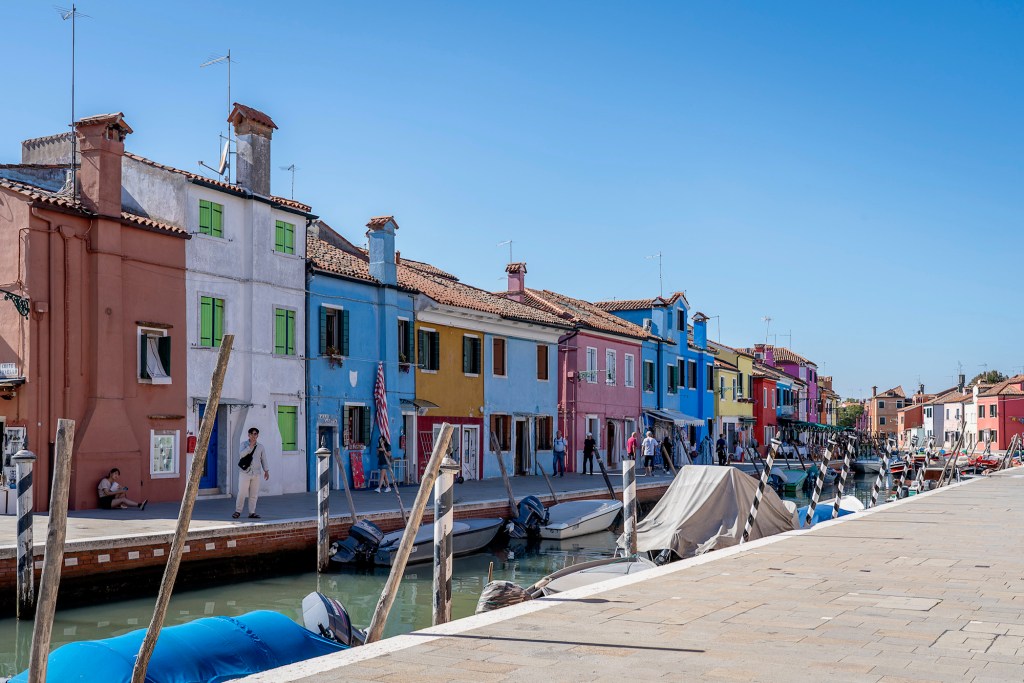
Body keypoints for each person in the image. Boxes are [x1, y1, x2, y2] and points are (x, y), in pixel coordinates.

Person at [234, 427, 269, 519]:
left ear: (257, 435)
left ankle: (252, 512)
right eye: (252, 434)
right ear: (248, 435)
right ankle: (238, 511)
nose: (254, 436)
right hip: (245, 472)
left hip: (256, 473)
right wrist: (250, 447)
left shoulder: (261, 447)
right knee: (242, 492)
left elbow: (263, 459)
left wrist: (266, 470)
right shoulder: (243, 444)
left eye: (255, 434)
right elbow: (241, 454)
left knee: (254, 494)